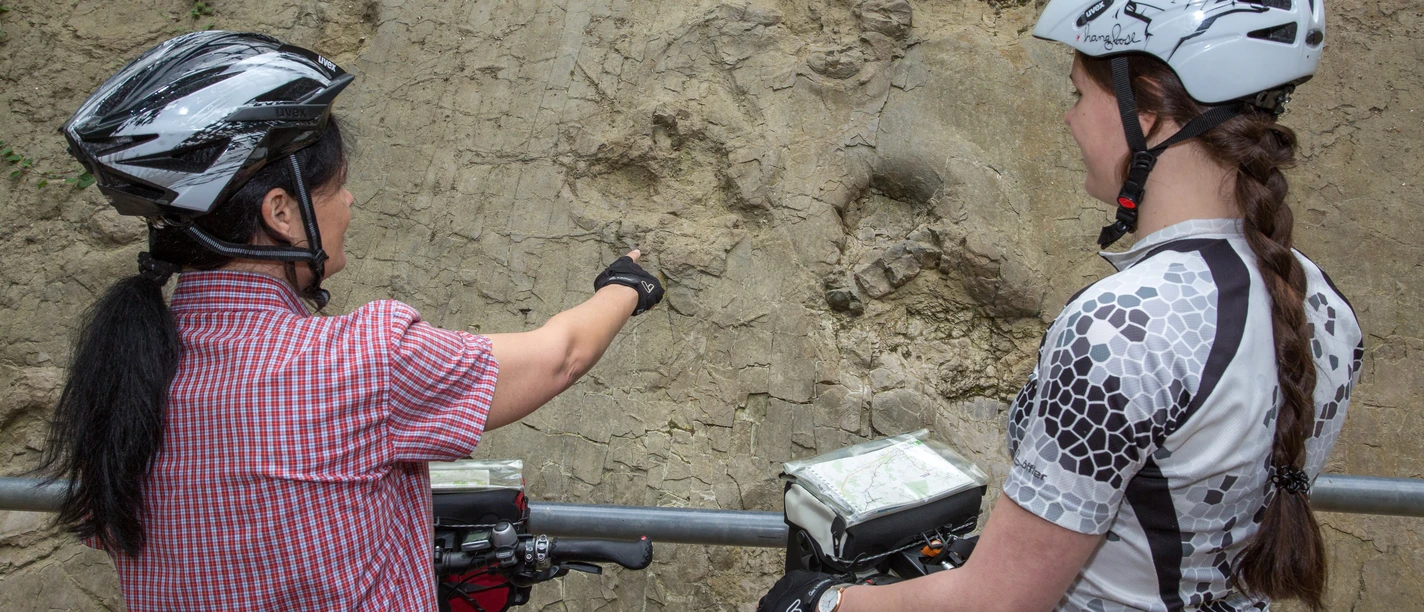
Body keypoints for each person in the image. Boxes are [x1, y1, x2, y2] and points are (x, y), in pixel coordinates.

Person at [759, 0, 1361, 611]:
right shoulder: (1320, 300)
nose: (1070, 119)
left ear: (1147, 110)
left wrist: (819, 602)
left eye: (1079, 94)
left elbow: (995, 603)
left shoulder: (1122, 327)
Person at [38, 32, 664, 611]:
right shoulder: (359, 361)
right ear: (281, 213)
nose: (350, 201)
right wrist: (625, 287)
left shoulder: (124, 376)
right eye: (337, 186)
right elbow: (560, 355)